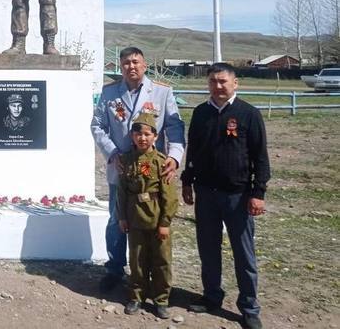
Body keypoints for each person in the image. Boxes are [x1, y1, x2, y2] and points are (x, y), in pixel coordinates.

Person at [181, 63, 270, 329]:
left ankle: (249, 307)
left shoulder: (248, 114)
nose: (217, 86)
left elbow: (260, 158)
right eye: (212, 81)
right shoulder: (200, 113)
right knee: (208, 250)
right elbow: (193, 151)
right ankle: (212, 297)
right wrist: (187, 182)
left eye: (222, 81)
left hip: (238, 196)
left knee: (244, 254)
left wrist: (258, 193)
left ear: (235, 83)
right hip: (206, 193)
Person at [90, 46, 185, 293]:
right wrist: (112, 153)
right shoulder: (110, 92)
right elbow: (98, 126)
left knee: (152, 223)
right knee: (117, 219)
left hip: (153, 172)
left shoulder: (162, 92)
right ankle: (114, 268)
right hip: (121, 169)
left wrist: (174, 157)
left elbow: (174, 127)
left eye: (135, 62)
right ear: (120, 67)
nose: (131, 67)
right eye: (125, 63)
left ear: (144, 65)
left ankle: (150, 276)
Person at [117, 112, 178, 320]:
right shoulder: (126, 160)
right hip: (135, 219)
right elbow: (122, 192)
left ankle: (161, 299)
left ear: (155, 137)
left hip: (157, 219)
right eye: (137, 134)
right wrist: (122, 217)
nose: (142, 138)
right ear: (132, 136)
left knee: (161, 260)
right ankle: (136, 296)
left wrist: (165, 223)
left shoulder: (162, 162)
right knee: (137, 260)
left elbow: (169, 197)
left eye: (147, 134)